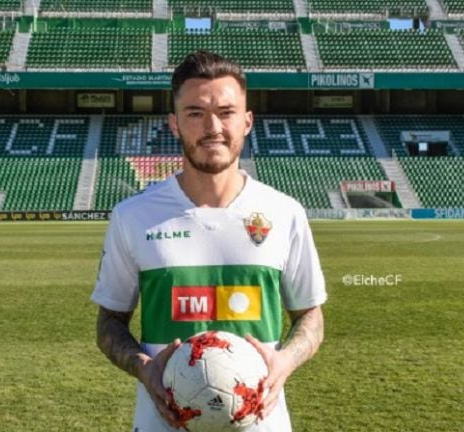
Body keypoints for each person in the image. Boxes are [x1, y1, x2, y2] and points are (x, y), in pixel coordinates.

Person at [92, 50, 327, 431]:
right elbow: (109, 322)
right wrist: (145, 368)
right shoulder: (133, 215)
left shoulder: (285, 213)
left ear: (247, 121)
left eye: (226, 111)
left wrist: (285, 361)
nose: (212, 126)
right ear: (174, 123)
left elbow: (310, 316)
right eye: (195, 113)